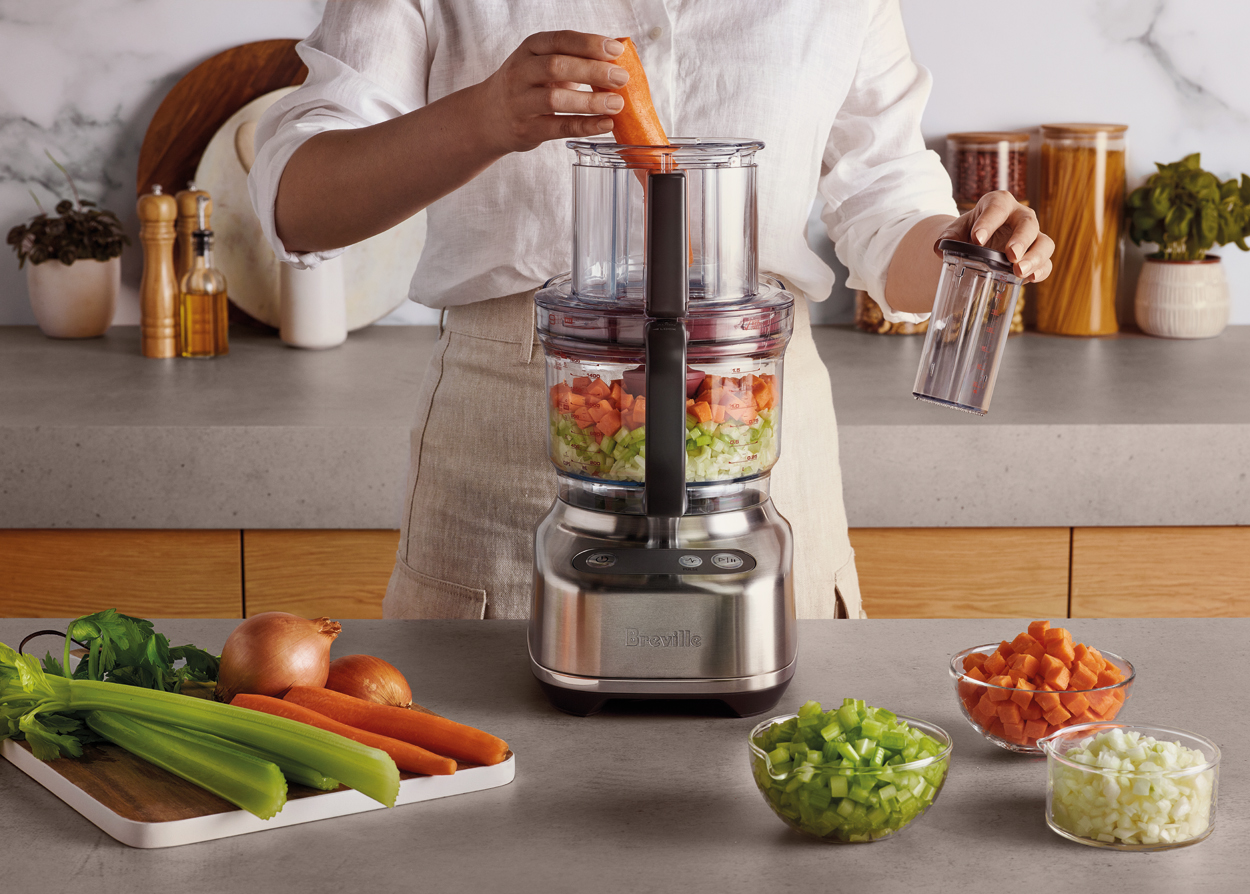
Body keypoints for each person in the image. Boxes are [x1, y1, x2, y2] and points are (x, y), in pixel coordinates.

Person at [249, 1, 1054, 622]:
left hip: (757, 418)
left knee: (777, 773)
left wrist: (964, 247)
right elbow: (299, 202)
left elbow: (885, 206)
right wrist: (486, 116)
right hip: (513, 435)